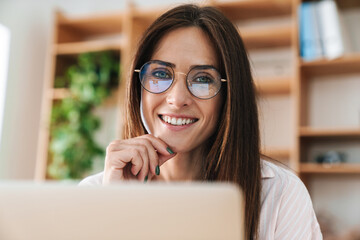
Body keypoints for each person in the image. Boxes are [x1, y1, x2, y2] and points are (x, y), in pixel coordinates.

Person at [79, 4, 322, 239]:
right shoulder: (96, 193)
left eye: (203, 79)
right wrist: (113, 210)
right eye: (161, 74)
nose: (177, 99)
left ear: (230, 95)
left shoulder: (280, 194)